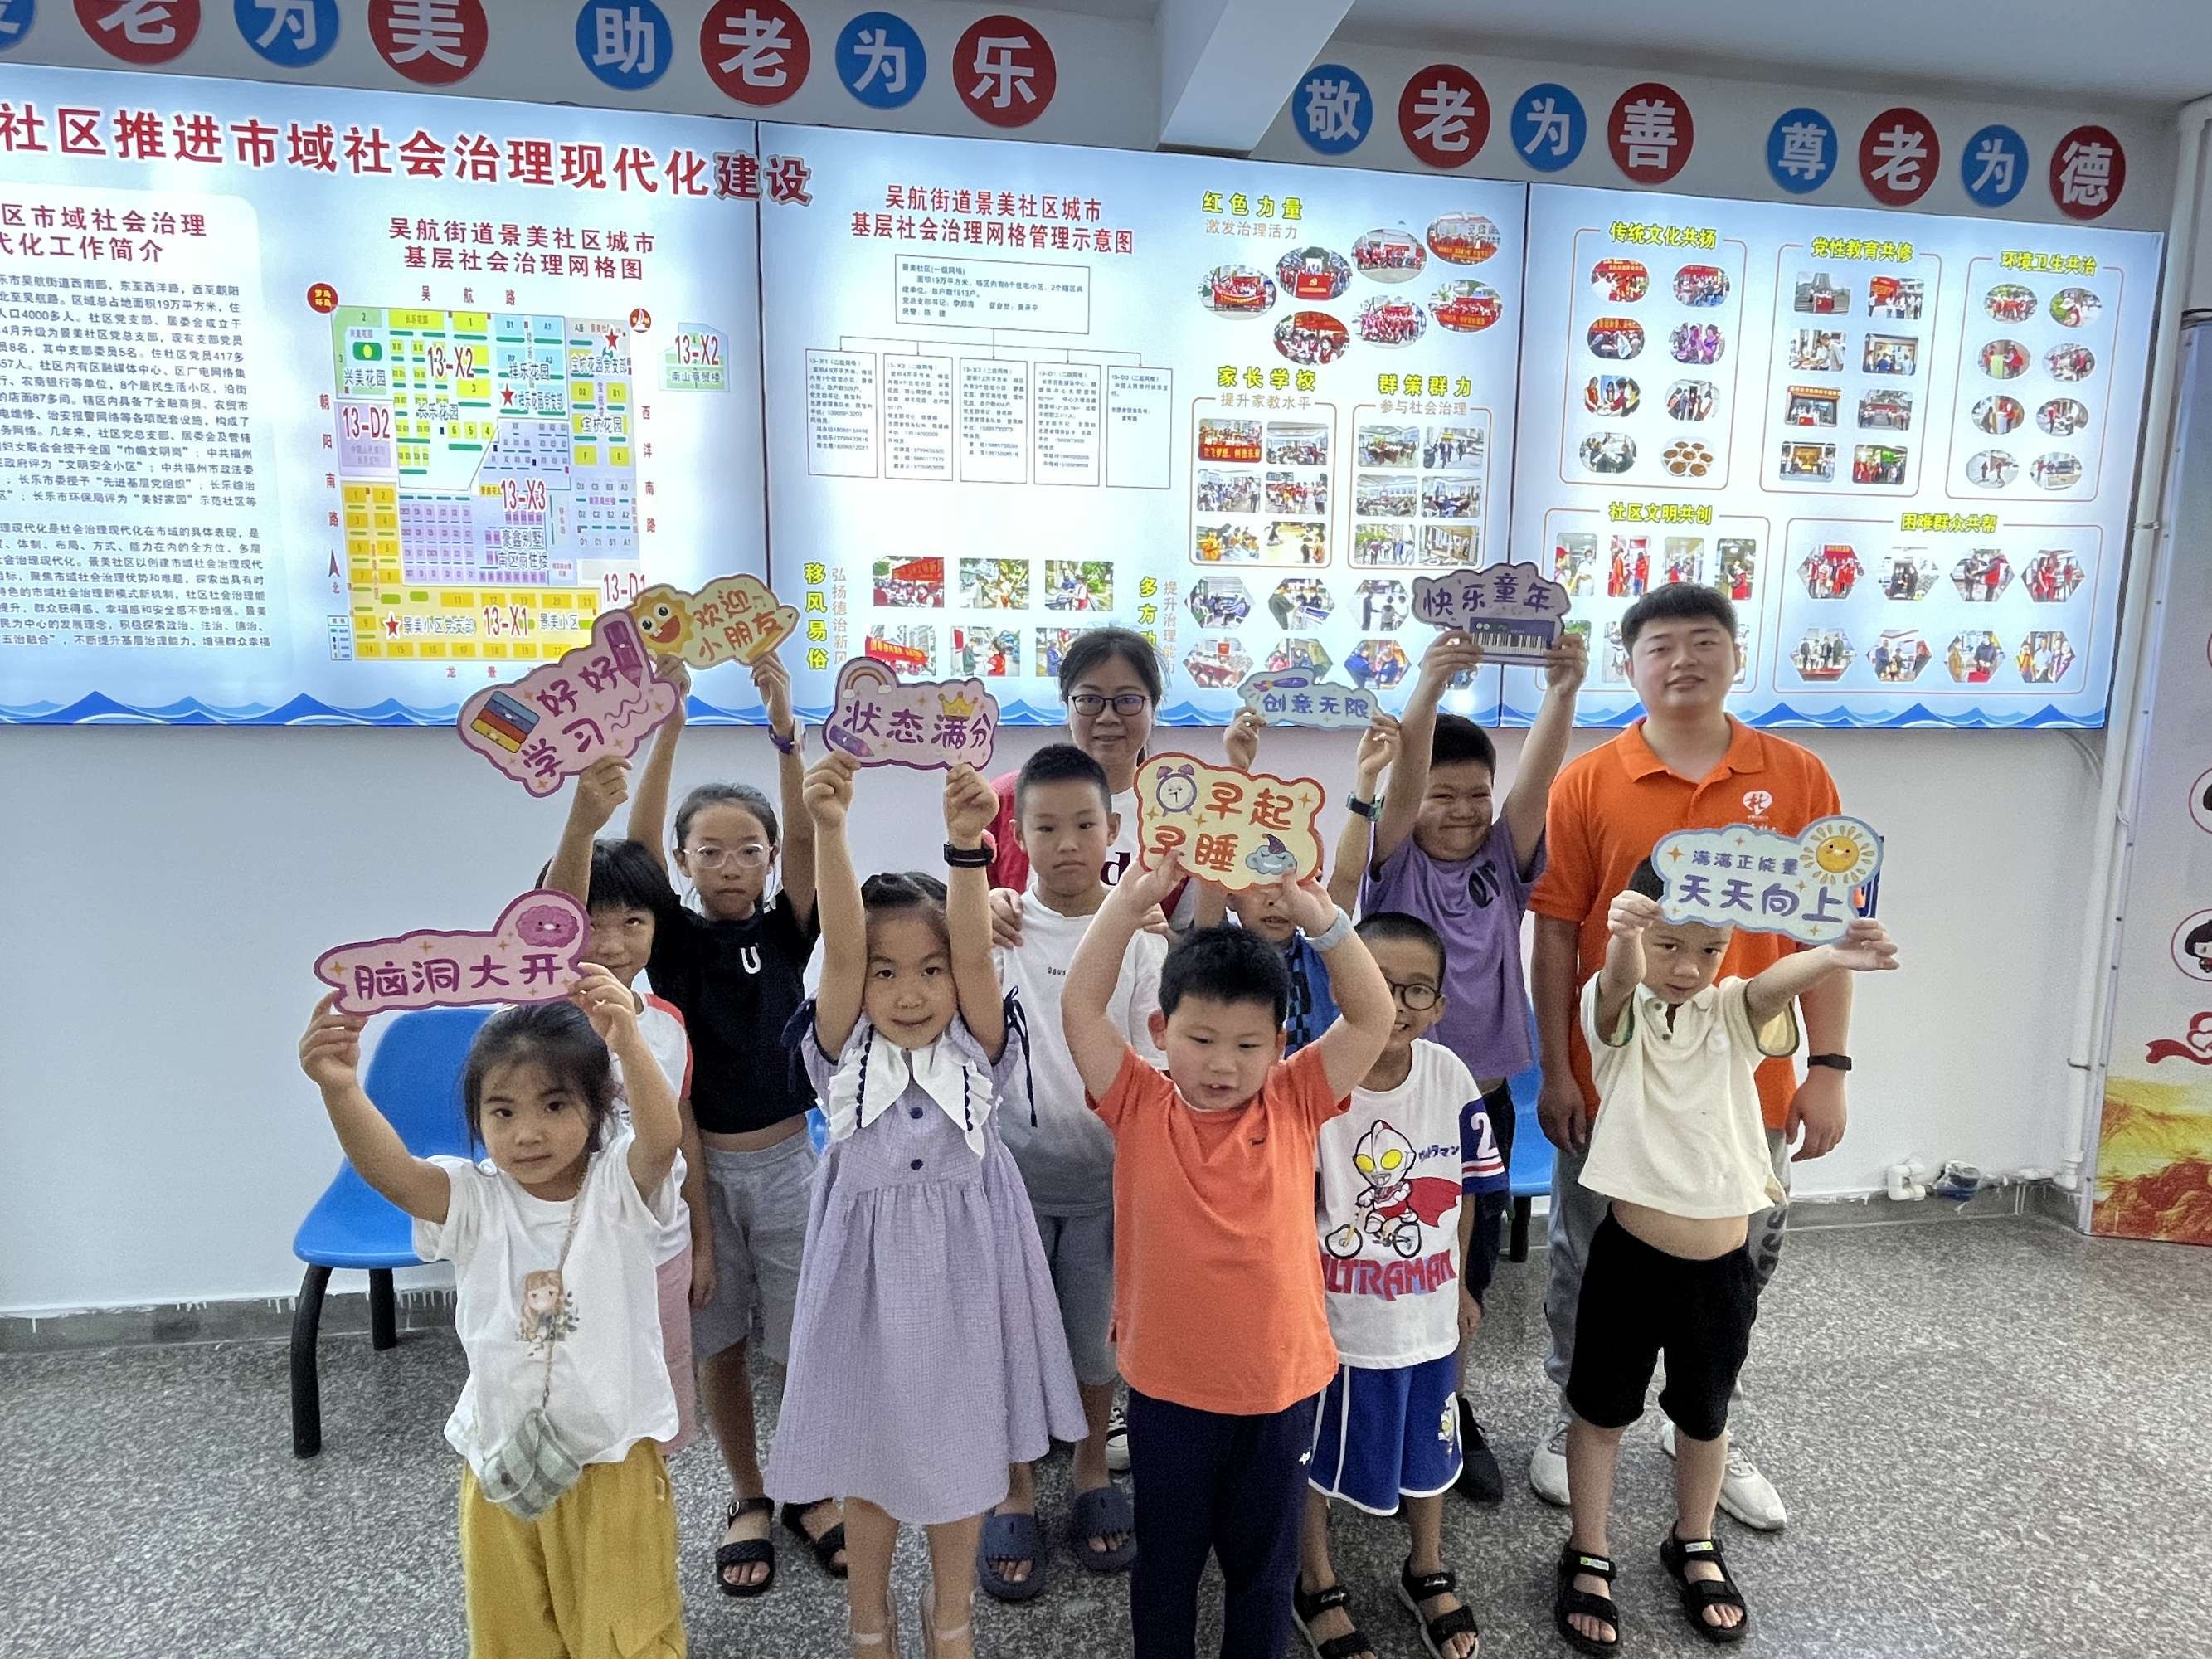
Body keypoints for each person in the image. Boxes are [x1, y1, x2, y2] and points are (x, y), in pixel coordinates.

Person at [1529, 583, 1854, 1532]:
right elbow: (1557, 930)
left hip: (1749, 1083)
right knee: (1588, 1257)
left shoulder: (1796, 774)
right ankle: (1578, 1411)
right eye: (1660, 644)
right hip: (1616, 1079)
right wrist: (1557, 1068)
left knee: (1739, 1263)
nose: (1683, 659)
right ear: (1630, 664)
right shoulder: (1588, 779)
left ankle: (1705, 1417)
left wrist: (1831, 1065)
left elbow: (1825, 933)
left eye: (1704, 640)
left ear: (1735, 655)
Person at [769, 753, 1086, 1659]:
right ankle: (867, 1621)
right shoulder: (843, 1053)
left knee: (964, 1461)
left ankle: (952, 1618)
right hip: (865, 1288)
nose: (909, 993)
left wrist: (965, 845)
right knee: (868, 1465)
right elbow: (839, 946)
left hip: (968, 1275)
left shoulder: (979, 1047)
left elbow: (978, 949)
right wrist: (830, 828)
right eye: (885, 973)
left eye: (930, 970)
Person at [1554, 865, 1897, 1652]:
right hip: (1628, 1261)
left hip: (1719, 1271)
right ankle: (1588, 1549)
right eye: (1668, 945)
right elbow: (1615, 981)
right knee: (1600, 1414)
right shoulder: (1619, 1015)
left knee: (1705, 1416)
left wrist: (1832, 954)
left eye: (1707, 950)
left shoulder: (1730, 1013)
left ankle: (1693, 1539)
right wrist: (1623, 937)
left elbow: (1770, 986)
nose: (1686, 967)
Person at [1062, 852, 1394, 1659]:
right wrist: (1130, 900)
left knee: (1264, 1572)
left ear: (1278, 1044)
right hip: (1168, 1392)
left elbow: (1372, 1015)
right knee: (1165, 1567)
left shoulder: (1293, 1096)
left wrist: (1322, 918)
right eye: (1200, 1038)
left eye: (1247, 1044)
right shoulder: (1138, 1100)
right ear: (1159, 1031)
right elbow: (1079, 1004)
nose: (1221, 1063)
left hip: (1277, 1390)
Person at [298, 971, 687, 1657]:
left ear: (599, 1106)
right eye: (502, 1112)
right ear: (477, 1120)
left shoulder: (617, 1187)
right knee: (513, 1635)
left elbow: (660, 1142)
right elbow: (392, 1172)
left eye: (554, 1105)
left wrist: (628, 1042)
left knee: (625, 1633)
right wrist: (340, 1087)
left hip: (610, 1461)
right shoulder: (472, 1199)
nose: (527, 1133)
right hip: (501, 1458)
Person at [1345, 626, 1585, 1502]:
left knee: (1465, 1271)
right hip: (1390, 1111)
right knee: (1385, 1259)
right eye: (1442, 796)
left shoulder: (1502, 862)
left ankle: (1450, 1404)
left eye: (1475, 795)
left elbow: (1536, 783)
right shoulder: (1393, 865)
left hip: (1481, 1107)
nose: (1462, 810)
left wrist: (1561, 692)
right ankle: (1373, 1395)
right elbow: (1404, 786)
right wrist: (1429, 688)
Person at [625, 654, 842, 1594]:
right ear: (683, 862)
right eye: (708, 850)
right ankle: (749, 1493)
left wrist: (786, 728)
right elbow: (635, 843)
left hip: (791, 1162)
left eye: (746, 849)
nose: (728, 864)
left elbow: (808, 833)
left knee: (800, 1344)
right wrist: (668, 724)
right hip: (699, 1174)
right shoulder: (670, 937)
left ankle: (808, 1487)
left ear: (768, 858)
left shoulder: (789, 926)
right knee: (719, 1342)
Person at [979, 745, 1163, 1601]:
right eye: (1045, 827)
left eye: (1083, 824)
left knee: (1096, 1342)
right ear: (1016, 836)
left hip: (1106, 1185)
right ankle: (1013, 1485)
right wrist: (971, 905)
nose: (1065, 843)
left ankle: (1091, 1468)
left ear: (1113, 829)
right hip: (1007, 1186)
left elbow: (1158, 1066)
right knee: (1010, 1343)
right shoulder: (996, 928)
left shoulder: (1137, 938)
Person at [1296, 913, 1505, 1659]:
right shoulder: (1310, 1079)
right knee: (1312, 1456)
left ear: (1439, 1005)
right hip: (1335, 1322)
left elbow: (1466, 1194)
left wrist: (1462, 1289)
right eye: (1378, 984)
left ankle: (1426, 1566)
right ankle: (1315, 1580)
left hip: (1427, 1316)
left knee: (1429, 1449)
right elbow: (1289, 1212)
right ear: (1340, 984)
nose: (1396, 1002)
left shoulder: (1448, 1078)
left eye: (1416, 989)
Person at [541, 781, 703, 1458]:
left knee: (657, 1405)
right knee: (565, 1405)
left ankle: (648, 1507)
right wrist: (582, 824)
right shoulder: (540, 1019)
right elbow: (554, 917)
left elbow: (682, 1134)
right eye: (590, 922)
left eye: (632, 922)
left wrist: (704, 1243)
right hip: (562, 1258)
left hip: (660, 1248)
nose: (610, 943)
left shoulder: (666, 1023)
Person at [1190, 709, 1340, 1055]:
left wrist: (1366, 784)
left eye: (1293, 884)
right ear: (1231, 894)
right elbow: (1214, 869)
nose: (1276, 899)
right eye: (1260, 883)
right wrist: (1237, 771)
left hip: (1315, 1086)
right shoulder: (1220, 952)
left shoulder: (1323, 953)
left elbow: (1348, 874)